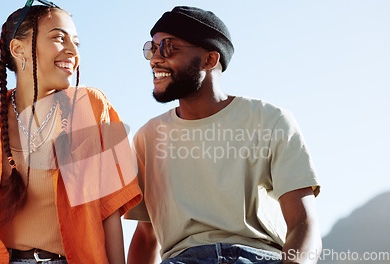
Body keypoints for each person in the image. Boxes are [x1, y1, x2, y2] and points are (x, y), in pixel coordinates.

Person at [0, 1, 141, 264]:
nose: (72, 51)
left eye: (77, 43)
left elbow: (109, 211)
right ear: (18, 49)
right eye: (59, 38)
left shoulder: (91, 107)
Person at [125, 6, 321, 264]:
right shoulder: (146, 138)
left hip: (260, 257)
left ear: (209, 60)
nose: (155, 59)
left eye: (168, 47)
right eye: (152, 48)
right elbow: (146, 236)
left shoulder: (271, 120)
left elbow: (303, 223)